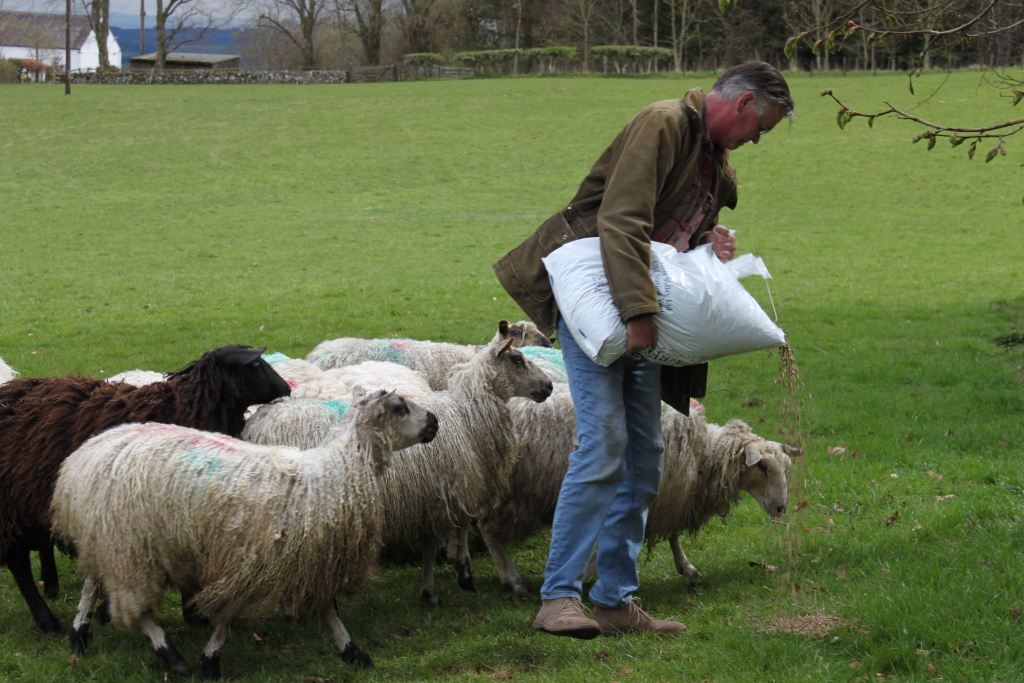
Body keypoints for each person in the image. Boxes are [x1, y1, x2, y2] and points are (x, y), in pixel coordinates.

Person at [492, 62, 794, 638]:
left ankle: (613, 600)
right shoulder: (664, 124)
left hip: (642, 305)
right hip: (601, 303)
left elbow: (667, 232)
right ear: (745, 101)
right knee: (604, 443)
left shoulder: (712, 157)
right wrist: (637, 313)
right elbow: (622, 220)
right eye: (762, 127)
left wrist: (707, 241)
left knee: (644, 457)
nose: (758, 140)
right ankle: (557, 598)